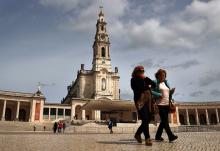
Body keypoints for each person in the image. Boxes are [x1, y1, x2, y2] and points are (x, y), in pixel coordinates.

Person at [130, 66, 156, 146]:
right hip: (140, 100)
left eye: (143, 71)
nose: (142, 72)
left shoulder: (144, 78)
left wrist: (146, 78)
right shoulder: (133, 79)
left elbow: (154, 84)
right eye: (140, 71)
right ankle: (147, 138)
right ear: (136, 71)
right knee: (145, 118)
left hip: (148, 101)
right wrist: (147, 86)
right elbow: (139, 88)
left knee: (148, 119)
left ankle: (137, 134)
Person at [151, 69, 178, 142]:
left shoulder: (166, 83)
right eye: (162, 75)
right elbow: (150, 91)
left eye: (164, 75)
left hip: (167, 103)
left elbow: (168, 94)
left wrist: (171, 92)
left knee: (163, 121)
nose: (163, 76)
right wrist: (158, 94)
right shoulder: (155, 82)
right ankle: (170, 136)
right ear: (158, 75)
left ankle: (158, 136)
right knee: (165, 120)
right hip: (160, 104)